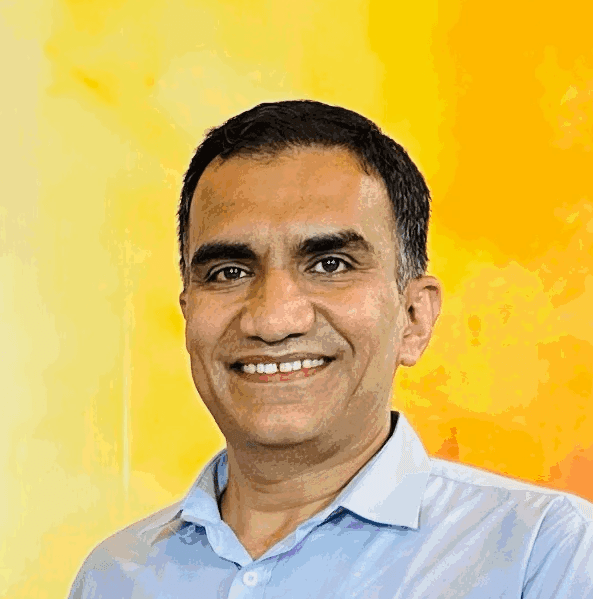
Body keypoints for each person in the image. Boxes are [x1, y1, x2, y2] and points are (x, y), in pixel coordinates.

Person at [69, 100, 593, 598]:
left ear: (414, 317)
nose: (273, 320)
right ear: (188, 312)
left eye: (330, 265)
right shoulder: (114, 577)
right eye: (229, 272)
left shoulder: (542, 554)